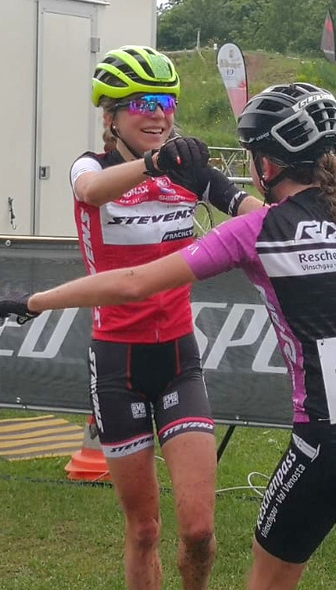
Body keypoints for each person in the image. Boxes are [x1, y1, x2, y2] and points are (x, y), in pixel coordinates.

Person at [0, 82, 336, 590]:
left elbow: (132, 284)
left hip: (325, 440)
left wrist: (35, 302)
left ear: (267, 165)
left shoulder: (260, 230)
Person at [68, 45, 263, 590]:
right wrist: (155, 163)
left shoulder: (188, 169)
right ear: (111, 116)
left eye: (166, 102)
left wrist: (307, 214)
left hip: (178, 358)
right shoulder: (93, 166)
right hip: (117, 363)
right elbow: (90, 192)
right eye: (142, 103)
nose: (158, 114)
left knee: (199, 530)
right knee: (145, 530)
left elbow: (253, 212)